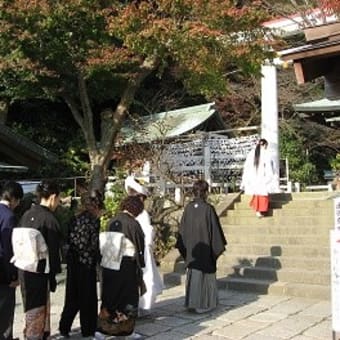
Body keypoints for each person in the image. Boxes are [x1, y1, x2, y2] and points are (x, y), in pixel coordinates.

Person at [16, 180, 62, 340]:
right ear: (53, 197)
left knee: (30, 307)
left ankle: (32, 334)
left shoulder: (26, 215)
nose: (57, 203)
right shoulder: (49, 220)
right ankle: (36, 336)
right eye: (58, 199)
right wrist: (54, 275)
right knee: (39, 308)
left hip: (24, 268)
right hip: (41, 270)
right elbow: (54, 251)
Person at [176, 180, 227, 313]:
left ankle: (191, 303)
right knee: (205, 274)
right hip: (206, 250)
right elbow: (215, 232)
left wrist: (186, 250)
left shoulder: (188, 208)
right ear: (206, 192)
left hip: (192, 250)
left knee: (194, 275)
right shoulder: (208, 209)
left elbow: (182, 231)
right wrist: (217, 248)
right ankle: (204, 303)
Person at [97, 196, 145, 337]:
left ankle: (103, 330)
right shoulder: (133, 224)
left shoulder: (112, 220)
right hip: (126, 266)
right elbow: (139, 246)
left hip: (109, 265)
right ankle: (126, 330)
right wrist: (140, 263)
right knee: (127, 299)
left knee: (110, 297)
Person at [59, 190, 104, 338]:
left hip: (74, 262)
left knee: (72, 297)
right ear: (95, 205)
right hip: (87, 264)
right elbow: (92, 244)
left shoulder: (74, 218)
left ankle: (64, 327)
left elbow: (69, 240)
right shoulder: (92, 220)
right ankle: (88, 330)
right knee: (88, 299)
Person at [124, 175, 163, 315]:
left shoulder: (125, 212)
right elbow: (147, 233)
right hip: (143, 249)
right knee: (146, 278)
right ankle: (143, 306)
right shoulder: (143, 213)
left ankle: (139, 306)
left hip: (132, 249)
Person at [0, 181, 23, 340]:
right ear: (13, 198)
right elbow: (8, 250)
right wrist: (13, 276)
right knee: (5, 316)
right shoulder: (9, 217)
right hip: (3, 274)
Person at [240, 138, 279, 217]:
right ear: (264, 145)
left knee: (257, 194)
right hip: (262, 177)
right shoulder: (265, 153)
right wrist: (271, 176)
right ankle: (260, 210)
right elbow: (270, 167)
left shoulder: (251, 153)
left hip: (253, 178)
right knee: (262, 195)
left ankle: (258, 210)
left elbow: (247, 166)